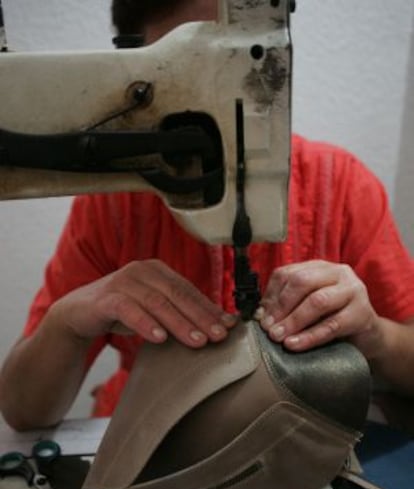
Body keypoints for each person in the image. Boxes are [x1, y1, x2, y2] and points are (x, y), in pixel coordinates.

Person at [1, 0, 414, 432]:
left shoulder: (341, 186)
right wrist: (69, 324)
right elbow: (22, 409)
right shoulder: (113, 206)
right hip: (146, 433)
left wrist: (376, 338)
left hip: (294, 435)